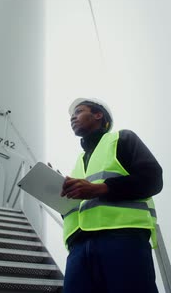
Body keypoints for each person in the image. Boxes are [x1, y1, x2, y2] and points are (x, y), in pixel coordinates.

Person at [61, 98, 163, 293]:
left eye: (79, 111)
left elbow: (152, 178)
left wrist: (101, 188)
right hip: (78, 248)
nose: (72, 118)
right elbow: (79, 207)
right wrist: (57, 189)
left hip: (122, 238)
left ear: (98, 115)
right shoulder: (79, 161)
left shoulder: (122, 139)